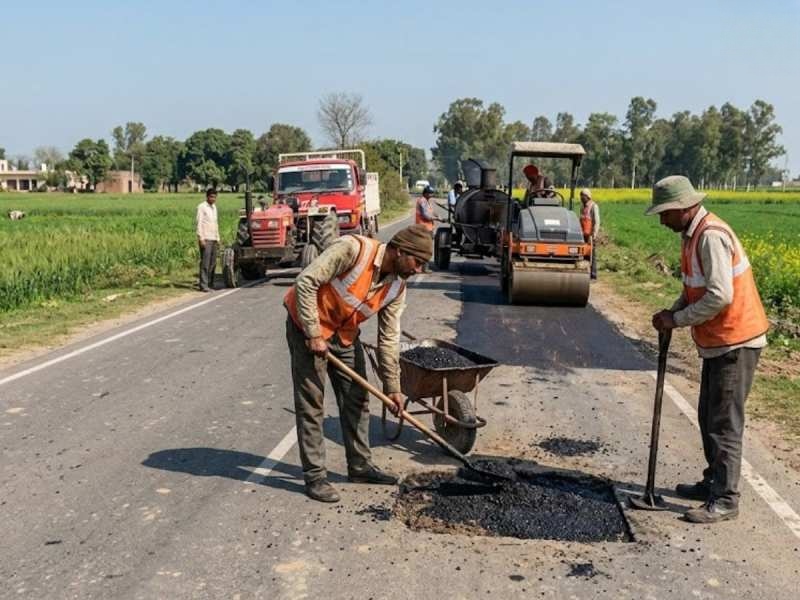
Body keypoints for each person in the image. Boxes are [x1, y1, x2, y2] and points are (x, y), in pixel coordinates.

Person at [647, 175, 768, 524]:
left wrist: (679, 319)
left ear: (683, 208)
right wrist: (671, 312)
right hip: (717, 342)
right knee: (707, 416)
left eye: (665, 213)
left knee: (724, 423)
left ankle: (726, 498)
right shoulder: (692, 235)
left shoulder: (710, 236)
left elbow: (719, 295)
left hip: (735, 340)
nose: (661, 220)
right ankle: (712, 481)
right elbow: (693, 288)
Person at [283, 224, 433, 503]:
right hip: (307, 327)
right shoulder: (354, 250)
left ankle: (360, 466)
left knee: (357, 399)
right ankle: (315, 476)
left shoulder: (397, 287)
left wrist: (393, 388)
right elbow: (305, 281)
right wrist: (314, 333)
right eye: (417, 262)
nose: (418, 270)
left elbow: (388, 339)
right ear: (400, 251)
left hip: (344, 335)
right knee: (312, 403)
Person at [195, 188, 219, 292]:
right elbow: (199, 223)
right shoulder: (202, 207)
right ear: (207, 196)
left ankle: (210, 283)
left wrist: (218, 238)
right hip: (206, 238)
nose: (213, 199)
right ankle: (203, 285)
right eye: (212, 197)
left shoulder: (214, 207)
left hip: (213, 237)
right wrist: (201, 238)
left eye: (215, 197)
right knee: (205, 262)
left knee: (213, 263)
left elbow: (215, 223)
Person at [579, 188, 601, 280]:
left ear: (587, 197)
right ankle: (584, 272)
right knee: (584, 253)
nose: (581, 198)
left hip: (590, 234)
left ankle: (593, 274)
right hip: (583, 233)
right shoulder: (582, 207)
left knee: (592, 254)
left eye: (582, 196)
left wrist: (594, 234)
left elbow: (597, 221)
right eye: (581, 196)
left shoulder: (593, 206)